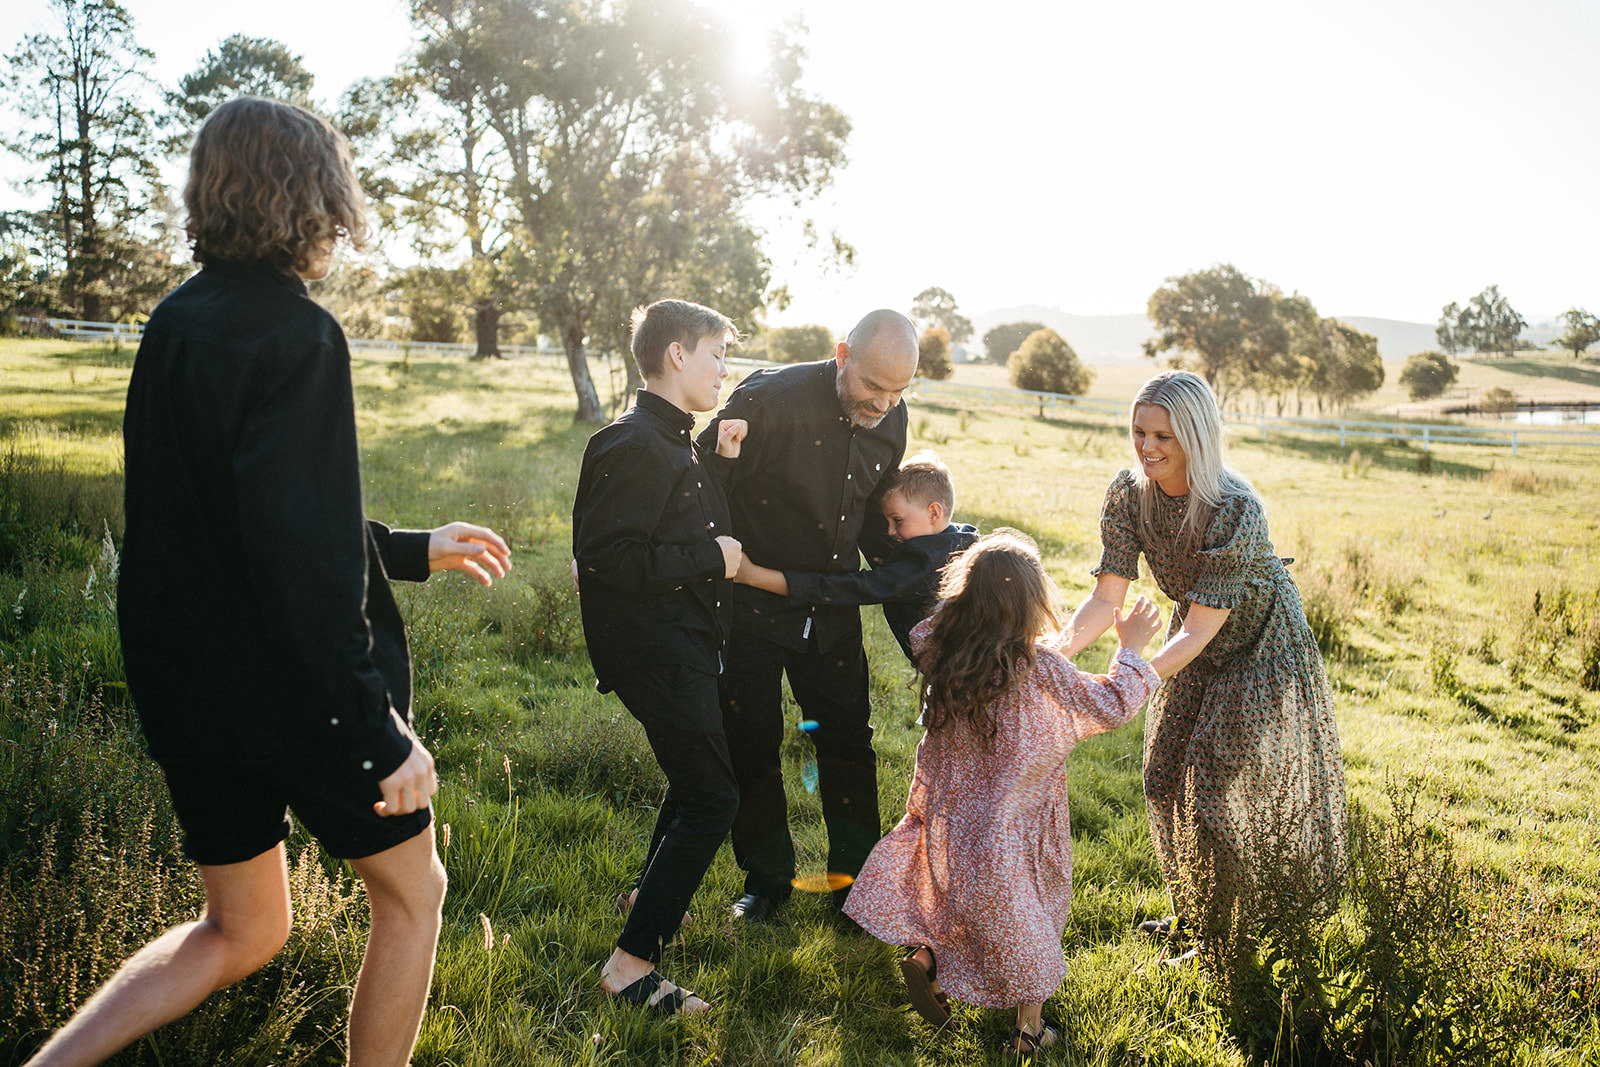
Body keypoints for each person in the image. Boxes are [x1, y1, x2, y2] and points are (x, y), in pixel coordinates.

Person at [24, 97, 512, 1067]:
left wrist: (409, 547)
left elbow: (248, 518)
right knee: (416, 893)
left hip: (185, 680)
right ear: (314, 194)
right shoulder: (298, 334)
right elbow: (299, 565)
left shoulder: (176, 319)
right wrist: (380, 727)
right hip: (291, 688)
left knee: (242, 929)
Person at [841, 530, 1162, 1055]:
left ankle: (929, 962)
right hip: (1017, 824)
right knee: (1030, 917)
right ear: (1032, 604)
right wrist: (1130, 648)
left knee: (958, 902)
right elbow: (1111, 705)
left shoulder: (939, 647)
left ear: (965, 596)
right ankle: (1027, 1032)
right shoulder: (1040, 668)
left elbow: (945, 635)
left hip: (955, 816)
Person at [1059, 369, 1348, 942]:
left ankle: (1228, 936)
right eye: (1140, 431)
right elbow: (1106, 595)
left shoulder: (1233, 509)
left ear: (1195, 437)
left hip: (1259, 646)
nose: (1146, 447)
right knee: (1164, 773)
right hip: (1189, 635)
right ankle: (1193, 914)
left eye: (1163, 436)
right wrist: (1057, 652)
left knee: (1215, 786)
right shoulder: (1128, 495)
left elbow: (1198, 634)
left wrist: (1129, 675)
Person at [697, 309, 918, 922]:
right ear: (843, 352)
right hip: (752, 605)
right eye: (873, 386)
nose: (883, 404)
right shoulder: (768, 398)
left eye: (898, 392)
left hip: (833, 608)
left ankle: (856, 889)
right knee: (753, 744)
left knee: (849, 743)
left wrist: (917, 572)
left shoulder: (891, 417)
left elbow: (874, 512)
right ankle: (765, 882)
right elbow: (702, 481)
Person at [572, 298, 748, 1015]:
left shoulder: (673, 441)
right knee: (714, 796)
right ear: (678, 354)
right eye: (716, 354)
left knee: (694, 778)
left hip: (685, 645)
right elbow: (608, 559)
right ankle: (630, 963)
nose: (724, 370)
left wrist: (719, 464)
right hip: (655, 652)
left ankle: (646, 891)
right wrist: (714, 555)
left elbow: (671, 516)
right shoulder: (632, 441)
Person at [733, 450, 978, 661]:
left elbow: (853, 588)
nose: (890, 531)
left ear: (934, 513)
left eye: (898, 520)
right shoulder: (963, 541)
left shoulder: (924, 566)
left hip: (963, 675)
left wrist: (755, 576)